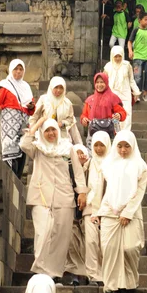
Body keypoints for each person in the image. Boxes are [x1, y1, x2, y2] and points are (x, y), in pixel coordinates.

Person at [20, 118, 87, 281]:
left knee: (61, 237)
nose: (51, 133)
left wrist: (82, 192)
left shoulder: (67, 147)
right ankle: (41, 271)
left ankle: (54, 274)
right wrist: (39, 121)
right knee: (44, 233)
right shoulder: (37, 147)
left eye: (53, 130)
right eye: (47, 130)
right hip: (41, 197)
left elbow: (78, 171)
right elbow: (24, 144)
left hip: (64, 197)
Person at [98, 130, 147, 293]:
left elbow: (139, 192)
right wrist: (98, 211)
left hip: (132, 213)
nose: (123, 150)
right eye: (119, 146)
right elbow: (103, 190)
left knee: (130, 248)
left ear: (132, 146)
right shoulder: (107, 165)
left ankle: (128, 286)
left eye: (127, 146)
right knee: (109, 249)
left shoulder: (141, 167)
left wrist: (128, 212)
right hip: (109, 211)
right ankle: (110, 291)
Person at [0, 59, 35, 179]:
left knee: (22, 149)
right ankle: (10, 179)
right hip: (9, 121)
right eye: (16, 69)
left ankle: (18, 179)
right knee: (10, 151)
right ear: (11, 70)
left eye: (21, 69)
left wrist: (31, 106)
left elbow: (32, 108)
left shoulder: (25, 86)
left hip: (23, 122)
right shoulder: (5, 85)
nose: (18, 72)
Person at [83, 131, 111, 285]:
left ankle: (107, 274)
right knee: (91, 242)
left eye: (102, 145)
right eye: (96, 145)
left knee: (105, 243)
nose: (99, 149)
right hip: (90, 207)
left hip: (107, 209)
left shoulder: (113, 164)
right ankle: (93, 274)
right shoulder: (88, 164)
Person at [29, 76, 82, 145]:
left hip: (62, 137)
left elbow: (71, 121)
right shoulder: (44, 100)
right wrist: (32, 134)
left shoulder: (67, 103)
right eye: (56, 87)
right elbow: (34, 117)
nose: (58, 90)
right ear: (51, 87)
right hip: (45, 136)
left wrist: (62, 123)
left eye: (61, 88)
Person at [66, 144, 90, 286]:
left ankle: (86, 274)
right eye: (77, 154)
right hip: (73, 213)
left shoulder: (93, 168)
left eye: (82, 153)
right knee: (72, 243)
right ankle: (75, 274)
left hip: (88, 213)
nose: (80, 156)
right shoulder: (68, 169)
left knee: (86, 245)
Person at [80, 73, 127, 145]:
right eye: (97, 82)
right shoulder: (90, 100)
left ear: (106, 82)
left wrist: (119, 115)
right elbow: (84, 115)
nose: (99, 85)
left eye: (102, 82)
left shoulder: (113, 98)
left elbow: (122, 112)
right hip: (93, 133)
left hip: (108, 133)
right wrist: (83, 119)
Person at [104, 45, 141, 130]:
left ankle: (126, 134)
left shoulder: (127, 65)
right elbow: (104, 82)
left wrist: (136, 91)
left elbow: (131, 80)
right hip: (112, 94)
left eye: (119, 56)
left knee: (127, 114)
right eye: (115, 56)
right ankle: (117, 134)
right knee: (115, 116)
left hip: (125, 93)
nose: (117, 58)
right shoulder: (108, 67)